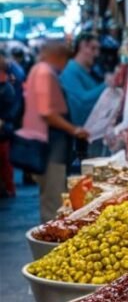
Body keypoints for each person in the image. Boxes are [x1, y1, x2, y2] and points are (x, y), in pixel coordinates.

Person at [17, 41, 88, 221]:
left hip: (49, 146)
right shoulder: (45, 73)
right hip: (51, 148)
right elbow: (47, 112)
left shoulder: (38, 70)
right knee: (54, 200)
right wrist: (74, 130)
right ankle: (52, 235)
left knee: (51, 196)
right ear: (60, 57)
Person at [60, 34, 106, 129]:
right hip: (83, 130)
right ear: (82, 46)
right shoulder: (70, 71)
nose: (96, 54)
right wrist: (106, 84)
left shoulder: (86, 71)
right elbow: (83, 100)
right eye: (93, 49)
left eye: (97, 49)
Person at [0, 58, 18, 197]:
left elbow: (9, 112)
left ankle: (8, 188)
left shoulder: (5, 87)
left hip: (3, 129)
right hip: (5, 128)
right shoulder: (7, 86)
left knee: (4, 161)